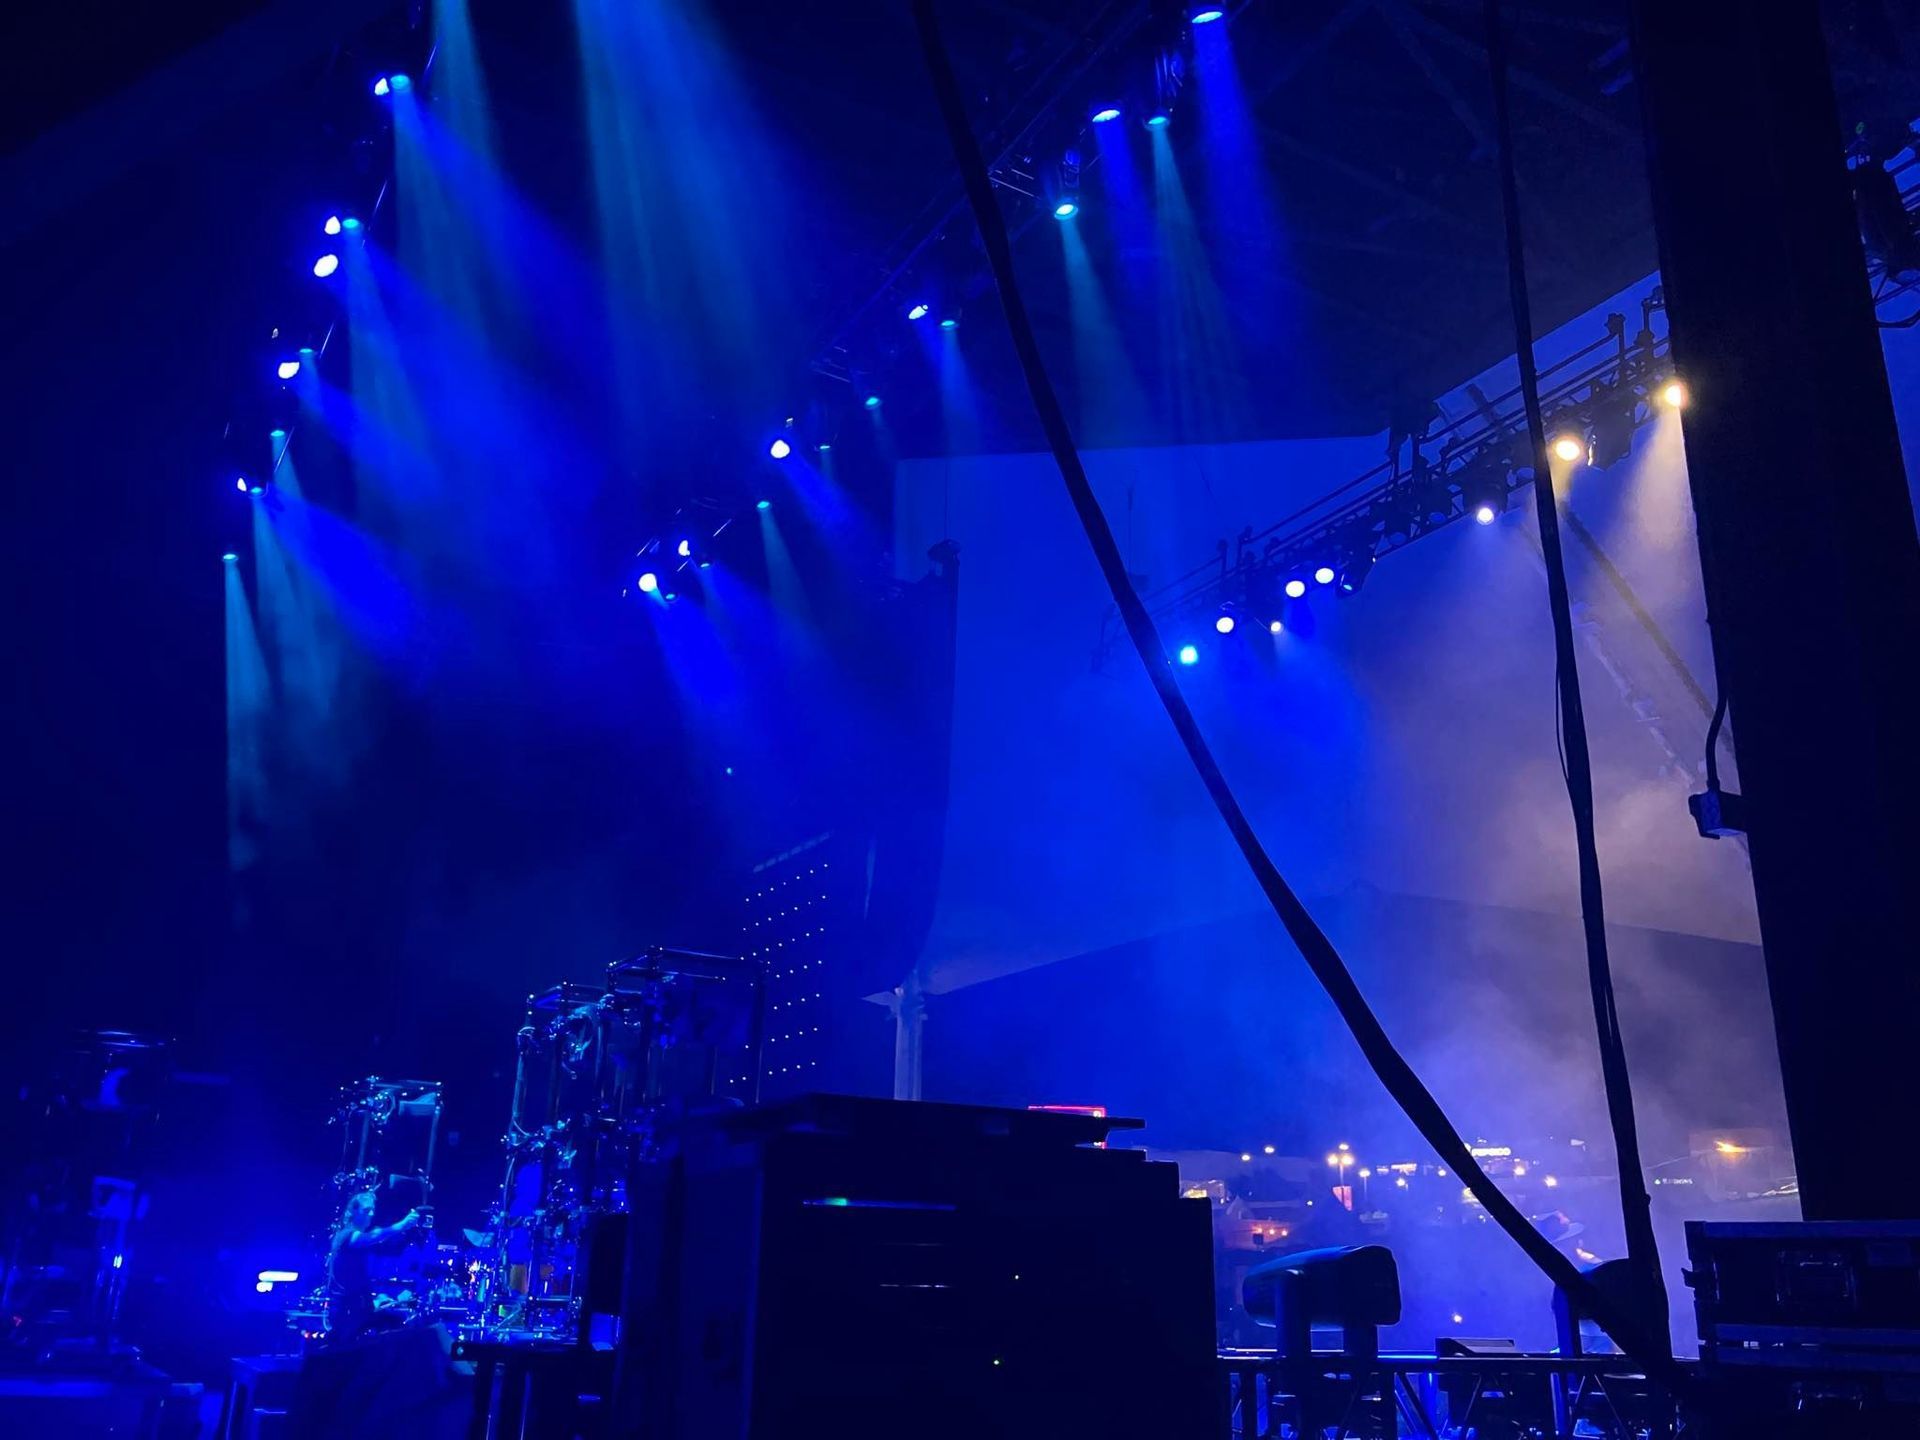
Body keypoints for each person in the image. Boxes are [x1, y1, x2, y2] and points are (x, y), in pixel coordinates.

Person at [326, 1190, 423, 1340]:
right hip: (347, 1311)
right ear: (353, 1212)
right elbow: (373, 1237)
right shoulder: (347, 1235)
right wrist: (402, 1225)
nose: (371, 1214)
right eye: (366, 1210)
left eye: (372, 1210)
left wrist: (378, 1299)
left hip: (355, 1308)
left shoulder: (353, 1237)